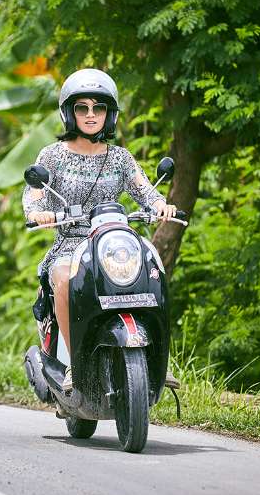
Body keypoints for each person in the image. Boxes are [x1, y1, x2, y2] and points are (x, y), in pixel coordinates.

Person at [22, 68, 176, 392]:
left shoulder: (120, 158)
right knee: (63, 278)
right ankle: (74, 366)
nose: (91, 115)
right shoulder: (52, 156)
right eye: (82, 108)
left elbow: (145, 190)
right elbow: (33, 196)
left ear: (109, 114)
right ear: (69, 113)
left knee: (152, 268)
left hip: (115, 241)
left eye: (99, 108)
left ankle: (160, 358)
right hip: (71, 243)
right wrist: (39, 213)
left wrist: (161, 205)